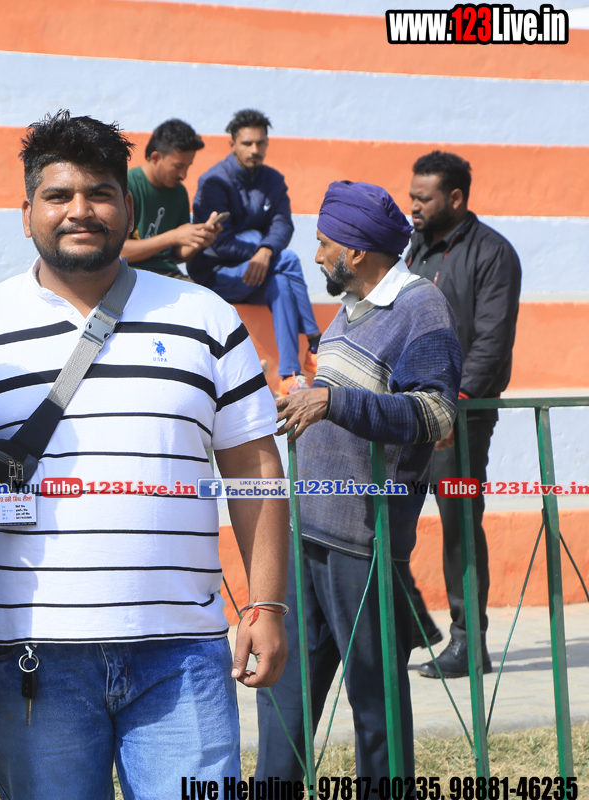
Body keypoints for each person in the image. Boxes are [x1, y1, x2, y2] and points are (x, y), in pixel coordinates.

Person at [0, 110, 289, 800]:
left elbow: (255, 467)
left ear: (129, 208)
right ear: (25, 213)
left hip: (181, 654)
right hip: (28, 655)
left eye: (100, 194)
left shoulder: (206, 317)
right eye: (58, 195)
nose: (79, 211)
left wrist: (267, 604)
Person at [259, 181, 462, 781]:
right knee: (284, 696)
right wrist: (307, 400)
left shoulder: (421, 306)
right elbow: (336, 402)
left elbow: (437, 413)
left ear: (356, 250)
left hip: (364, 542)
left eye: (325, 243)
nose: (317, 254)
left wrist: (332, 402)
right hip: (306, 530)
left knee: (376, 705)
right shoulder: (349, 310)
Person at [404, 151, 521, 679]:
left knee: (459, 529)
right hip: (407, 413)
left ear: (454, 198)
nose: (413, 206)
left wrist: (452, 408)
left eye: (423, 198)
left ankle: (469, 643)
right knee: (378, 517)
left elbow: (492, 343)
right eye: (411, 196)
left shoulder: (494, 253)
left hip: (461, 420)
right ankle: (410, 625)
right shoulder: (413, 249)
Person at [188, 110, 321, 396]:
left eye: (260, 143)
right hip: (217, 275)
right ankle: (314, 340)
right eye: (247, 143)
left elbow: (283, 224)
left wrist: (265, 251)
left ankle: (289, 376)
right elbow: (220, 242)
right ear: (232, 144)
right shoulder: (214, 182)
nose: (254, 150)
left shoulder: (273, 181)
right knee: (289, 259)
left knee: (282, 282)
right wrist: (261, 253)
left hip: (258, 276)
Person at [121, 118, 220, 277]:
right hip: (130, 274)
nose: (183, 175)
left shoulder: (179, 192)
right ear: (155, 158)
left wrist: (199, 240)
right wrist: (172, 237)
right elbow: (120, 253)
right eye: (178, 166)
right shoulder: (127, 185)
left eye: (187, 167)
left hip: (168, 274)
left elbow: (178, 255)